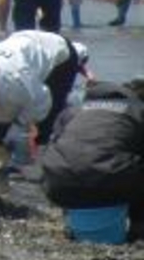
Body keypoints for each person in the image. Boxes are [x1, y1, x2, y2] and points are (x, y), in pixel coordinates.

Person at [0, 30, 85, 175]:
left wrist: (8, 138)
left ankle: (44, 166)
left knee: (45, 124)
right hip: (21, 45)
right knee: (1, 118)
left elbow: (42, 103)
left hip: (60, 57)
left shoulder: (15, 83)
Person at [40, 79, 144, 240]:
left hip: (58, 185)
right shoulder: (138, 110)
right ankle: (138, 225)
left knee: (66, 159)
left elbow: (56, 145)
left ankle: (70, 222)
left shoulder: (73, 110)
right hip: (110, 182)